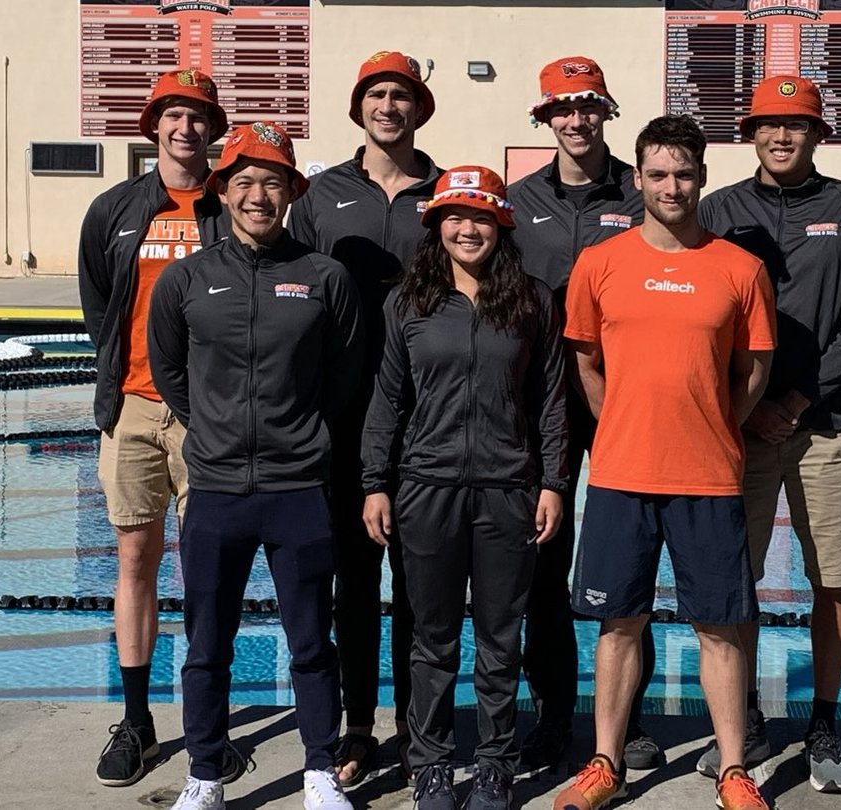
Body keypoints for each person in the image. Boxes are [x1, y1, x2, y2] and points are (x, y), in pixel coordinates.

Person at [552, 115, 776, 810]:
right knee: (620, 624)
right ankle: (605, 763)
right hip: (621, 472)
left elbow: (755, 370)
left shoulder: (741, 269)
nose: (671, 186)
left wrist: (710, 423)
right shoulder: (600, 262)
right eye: (657, 174)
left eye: (683, 174)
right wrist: (623, 422)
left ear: (703, 177)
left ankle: (735, 770)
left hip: (706, 474)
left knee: (718, 626)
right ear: (639, 179)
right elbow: (586, 363)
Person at [147, 121, 365, 810]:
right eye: (243, 183)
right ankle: (205, 774)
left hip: (299, 487)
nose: (257, 196)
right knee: (207, 644)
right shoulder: (186, 280)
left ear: (292, 192)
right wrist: (215, 428)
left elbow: (345, 377)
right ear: (223, 191)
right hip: (214, 488)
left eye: (271, 182)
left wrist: (298, 436)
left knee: (311, 641)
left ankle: (320, 772)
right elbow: (171, 373)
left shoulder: (324, 277)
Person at [696, 75, 841, 795]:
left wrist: (799, 400)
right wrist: (747, 407)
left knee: (833, 578)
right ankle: (740, 720)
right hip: (737, 429)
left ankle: (824, 723)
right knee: (732, 582)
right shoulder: (719, 209)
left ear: (818, 135)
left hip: (823, 425)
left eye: (797, 126)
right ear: (750, 134)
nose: (782, 137)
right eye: (769, 125)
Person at [361, 166, 568, 810]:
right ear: (436, 225)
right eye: (454, 216)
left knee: (502, 638)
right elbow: (387, 399)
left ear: (501, 224)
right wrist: (376, 483)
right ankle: (428, 764)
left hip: (510, 488)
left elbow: (552, 401)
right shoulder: (408, 302)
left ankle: (495, 765)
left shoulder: (532, 300)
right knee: (432, 637)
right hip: (427, 487)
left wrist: (554, 482)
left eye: (480, 216)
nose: (467, 227)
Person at [76, 68, 243, 788]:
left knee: (209, 571)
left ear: (213, 129)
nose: (185, 128)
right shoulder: (114, 209)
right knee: (136, 563)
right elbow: (99, 310)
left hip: (211, 414)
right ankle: (138, 719)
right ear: (154, 126)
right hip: (136, 409)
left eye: (199, 116)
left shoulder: (232, 207)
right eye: (174, 115)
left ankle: (209, 723)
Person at [288, 49, 442, 787]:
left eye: (402, 96)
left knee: (421, 582)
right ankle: (357, 726)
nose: (390, 107)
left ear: (419, 109)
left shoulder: (444, 194)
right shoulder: (320, 196)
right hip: (345, 416)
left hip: (428, 416)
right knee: (354, 578)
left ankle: (419, 729)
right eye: (378, 95)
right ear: (360, 108)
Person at [506, 55, 659, 774]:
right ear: (545, 118)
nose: (577, 120)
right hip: (541, 404)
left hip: (625, 399)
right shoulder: (516, 203)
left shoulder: (640, 196)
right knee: (543, 561)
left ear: (606, 113)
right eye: (563, 108)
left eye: (589, 107)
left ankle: (624, 722)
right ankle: (552, 713)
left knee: (629, 557)